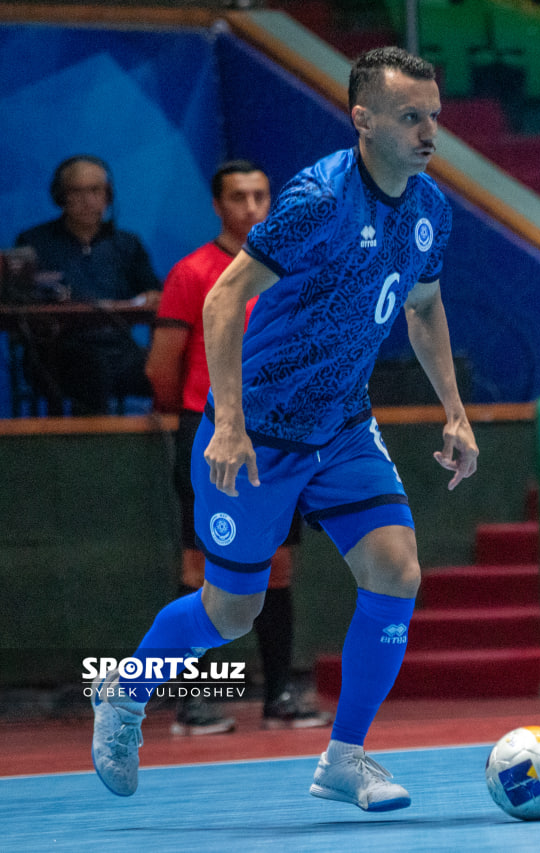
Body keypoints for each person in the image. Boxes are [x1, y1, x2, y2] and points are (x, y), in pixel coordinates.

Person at [90, 47, 478, 811]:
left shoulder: (431, 208)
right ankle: (124, 690)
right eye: (411, 117)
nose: (429, 131)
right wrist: (227, 422)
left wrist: (456, 410)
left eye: (434, 115)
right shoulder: (319, 199)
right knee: (232, 611)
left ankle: (345, 756)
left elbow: (424, 305)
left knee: (397, 570)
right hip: (260, 433)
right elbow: (224, 299)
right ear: (363, 120)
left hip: (342, 427)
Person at [145, 160, 330, 734]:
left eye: (260, 195)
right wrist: (198, 418)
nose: (252, 207)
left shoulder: (292, 268)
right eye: (238, 198)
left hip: (278, 441)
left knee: (277, 566)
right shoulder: (192, 272)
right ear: (218, 205)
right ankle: (190, 702)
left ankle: (278, 696)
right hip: (212, 439)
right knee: (203, 567)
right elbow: (161, 367)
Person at [14, 155, 161, 415]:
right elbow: (19, 301)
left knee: (173, 364)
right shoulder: (33, 243)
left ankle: (177, 448)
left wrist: (151, 296)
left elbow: (155, 292)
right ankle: (96, 452)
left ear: (108, 196)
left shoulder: (127, 245)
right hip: (55, 354)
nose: (87, 200)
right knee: (91, 369)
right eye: (76, 191)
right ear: (61, 196)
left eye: (95, 190)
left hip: (119, 349)